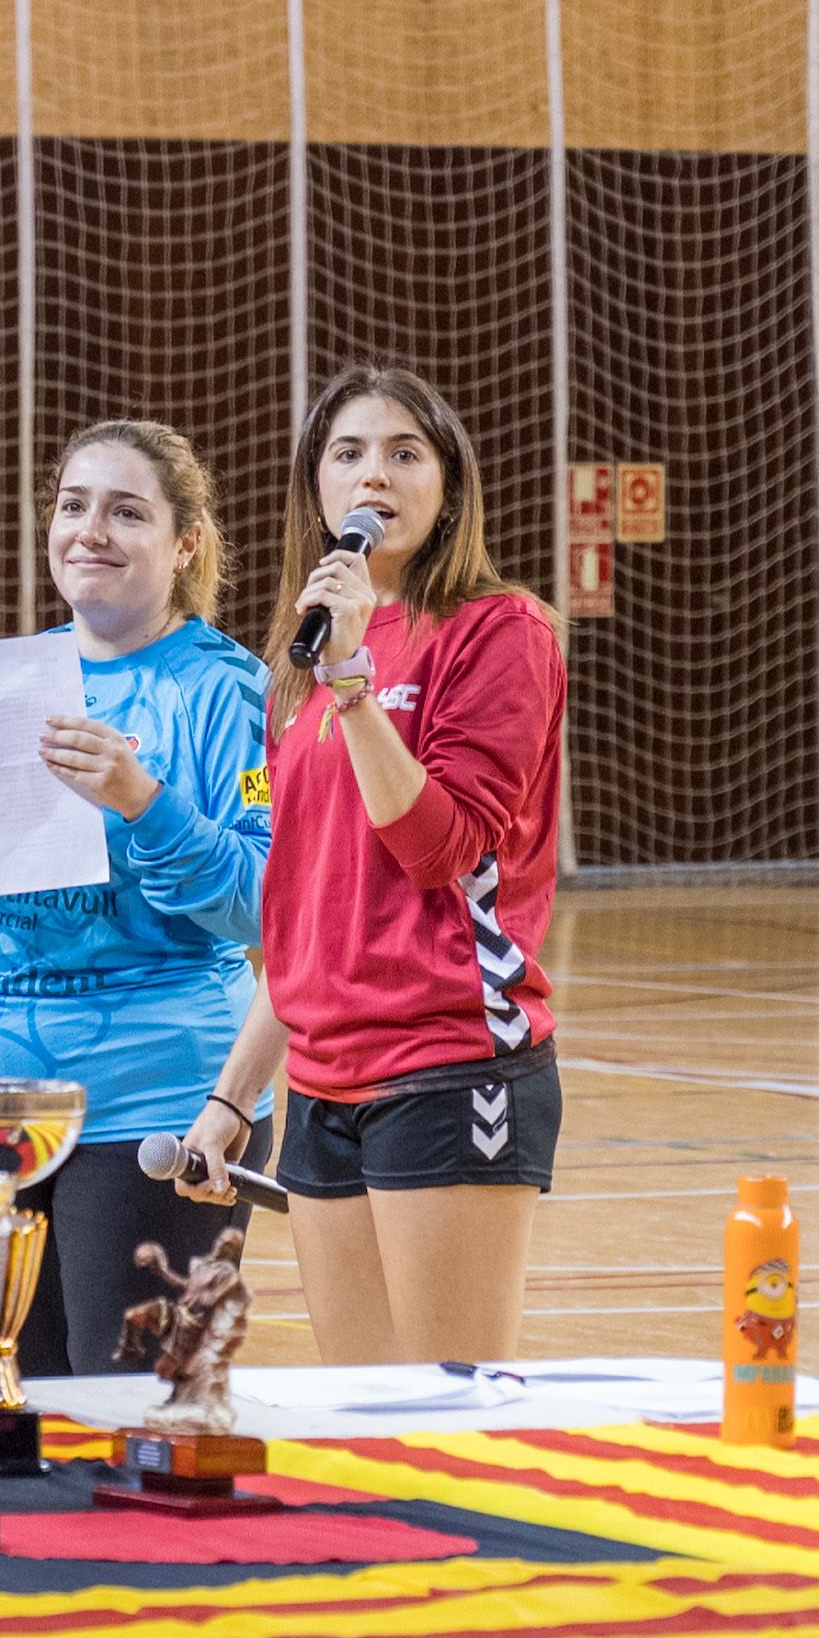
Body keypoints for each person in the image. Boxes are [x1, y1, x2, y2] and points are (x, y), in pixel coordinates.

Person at [0, 420, 275, 1375]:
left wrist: (145, 803)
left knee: (133, 1417)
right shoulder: (8, 680)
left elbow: (267, 903)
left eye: (126, 511)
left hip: (153, 1095)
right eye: (73, 506)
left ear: (185, 545)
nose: (90, 529)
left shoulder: (227, 694)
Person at [176, 365, 567, 1364]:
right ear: (316, 486)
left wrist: (354, 687)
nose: (373, 476)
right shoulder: (296, 673)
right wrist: (232, 1099)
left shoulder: (497, 632)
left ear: (448, 488)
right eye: (347, 453)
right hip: (321, 1081)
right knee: (360, 1418)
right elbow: (298, 912)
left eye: (403, 453)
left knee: (447, 1413)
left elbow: (439, 848)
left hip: (446, 1066)